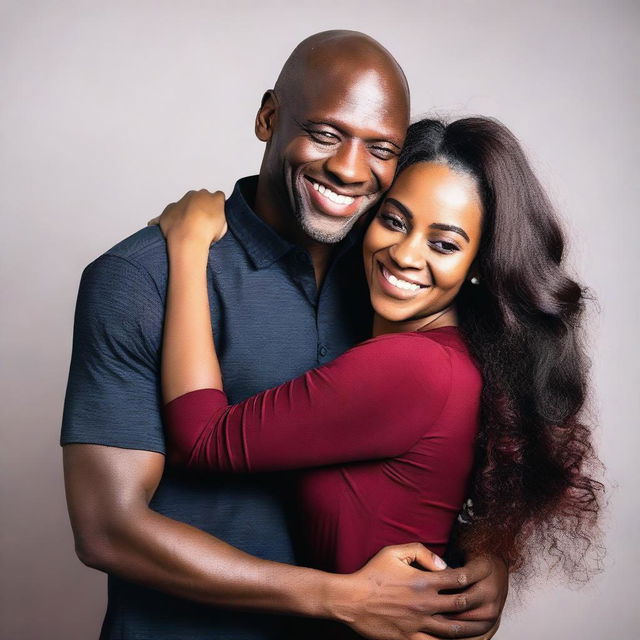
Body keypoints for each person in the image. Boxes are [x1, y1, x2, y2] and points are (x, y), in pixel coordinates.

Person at [61, 31, 508, 640]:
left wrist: (487, 555)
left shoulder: (395, 276)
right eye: (326, 133)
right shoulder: (142, 278)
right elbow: (106, 527)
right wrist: (338, 598)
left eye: (381, 148)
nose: (351, 169)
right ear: (269, 117)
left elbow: (462, 443)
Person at [154, 117, 603, 638]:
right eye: (394, 220)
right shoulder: (451, 356)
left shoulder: (411, 367)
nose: (405, 255)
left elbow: (201, 438)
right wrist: (486, 556)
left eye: (444, 244)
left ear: (479, 264)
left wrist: (187, 246)